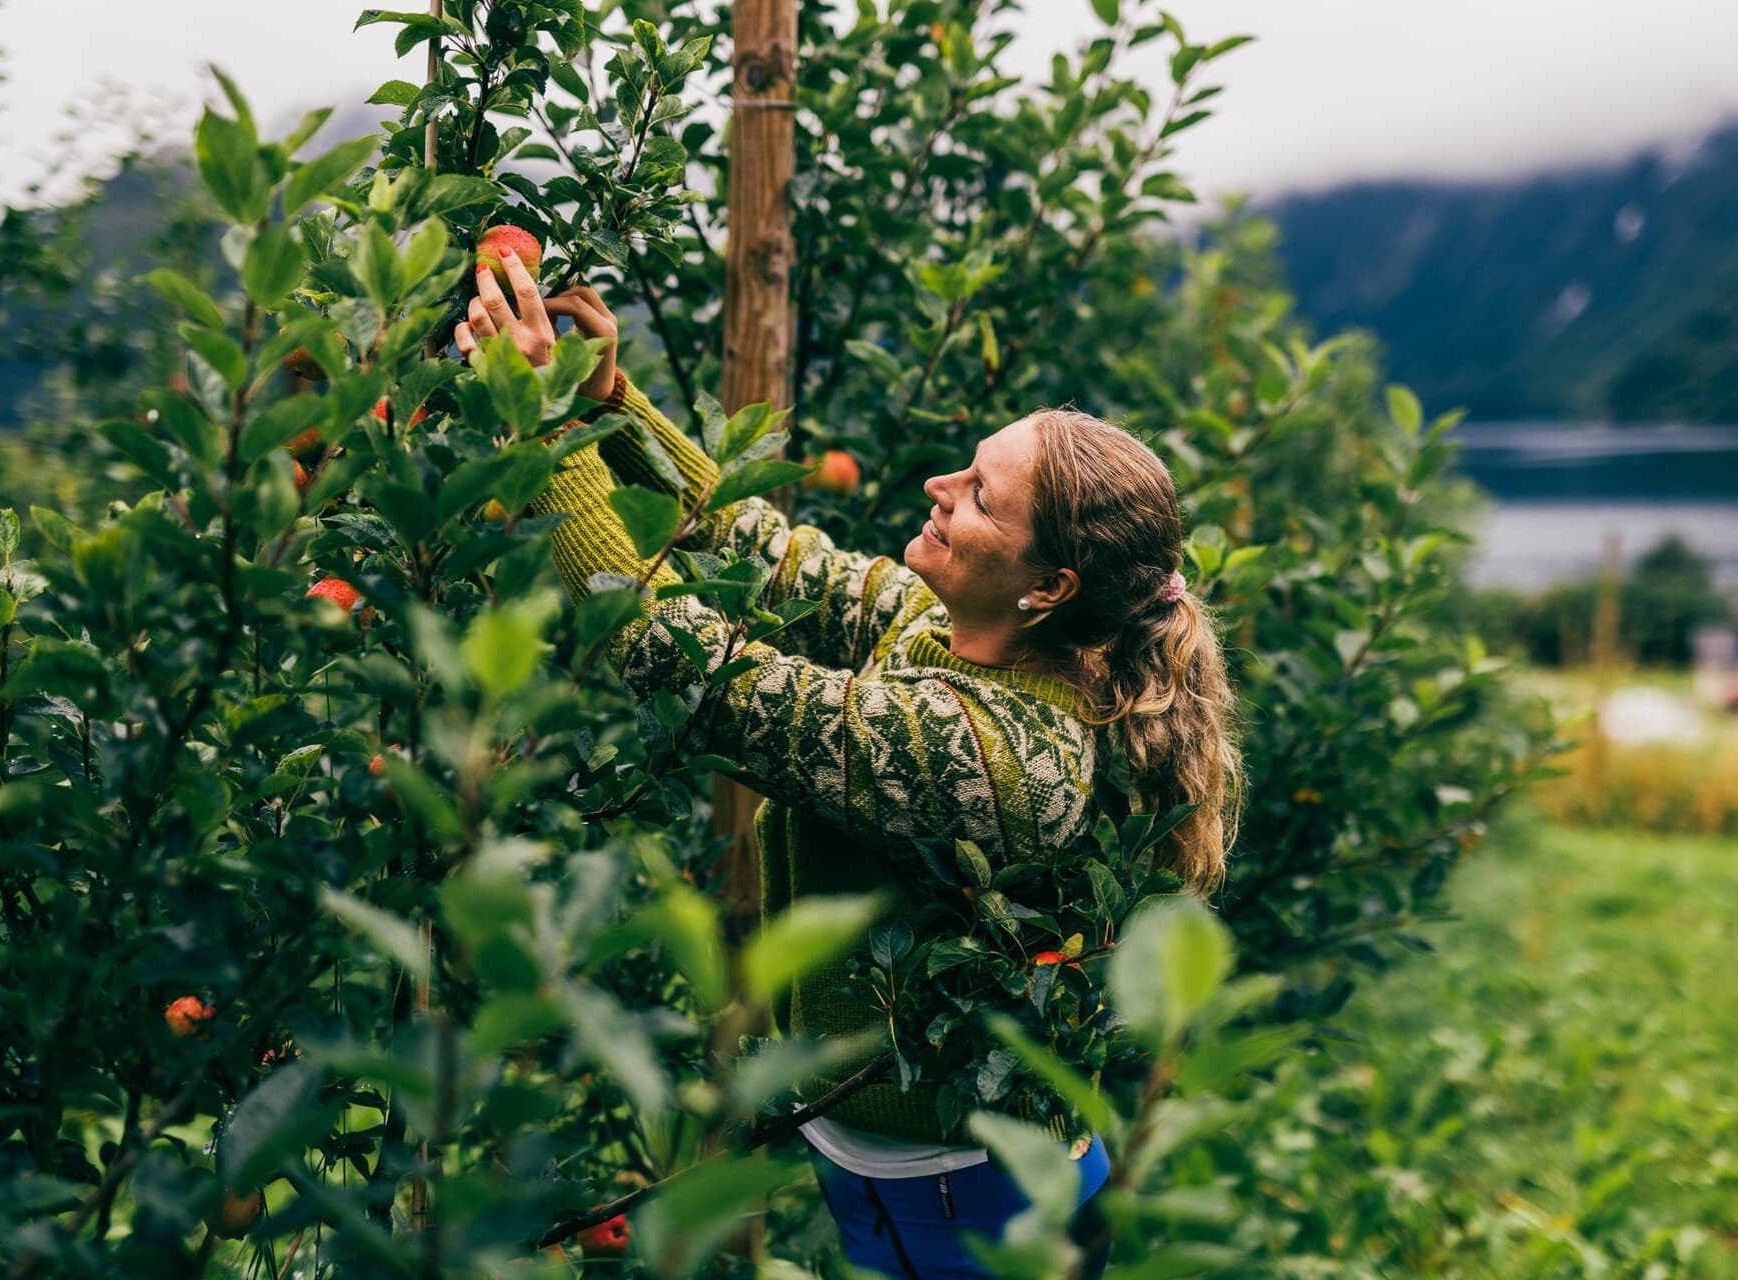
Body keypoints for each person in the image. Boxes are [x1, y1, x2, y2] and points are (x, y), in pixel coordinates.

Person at [458, 248, 1243, 1278]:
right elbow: (767, 555)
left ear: (1049, 587)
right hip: (909, 1173)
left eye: (978, 495)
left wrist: (542, 434)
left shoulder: (1002, 757)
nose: (938, 488)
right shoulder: (951, 629)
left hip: (975, 1207)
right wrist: (607, 409)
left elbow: (697, 672)